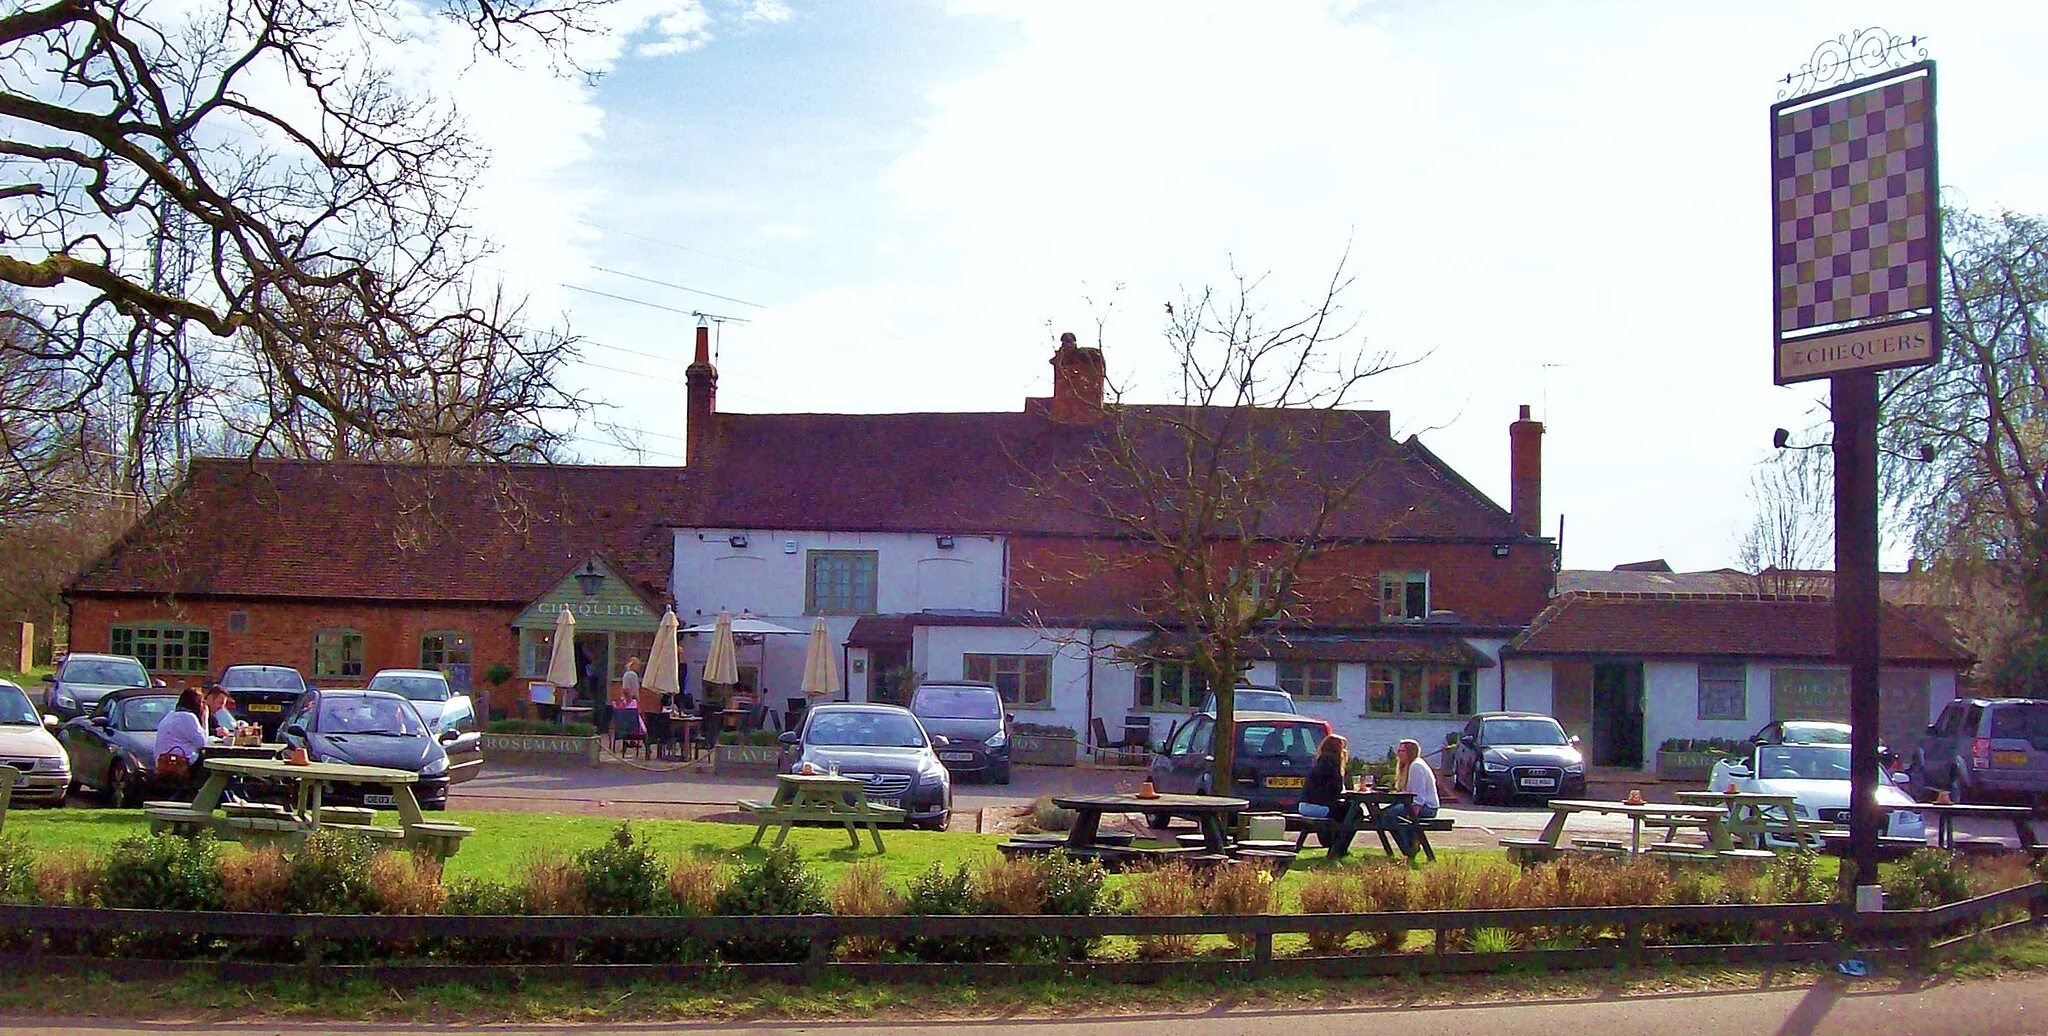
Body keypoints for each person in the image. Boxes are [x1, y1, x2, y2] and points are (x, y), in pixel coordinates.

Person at [1300, 733, 1355, 856]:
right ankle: (1339, 848)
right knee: (1354, 812)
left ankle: (1332, 843)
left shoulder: (1320, 762)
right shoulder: (1332, 764)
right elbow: (1337, 790)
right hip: (1318, 807)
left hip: (1305, 805)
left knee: (1344, 811)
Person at [1387, 738, 1440, 859]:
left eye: (1402, 751)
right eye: (1399, 751)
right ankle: (1410, 846)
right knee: (1383, 815)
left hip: (1427, 807)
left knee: (1390, 816)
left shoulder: (1416, 766)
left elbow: (1418, 798)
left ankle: (1408, 851)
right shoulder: (1409, 766)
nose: (1399, 754)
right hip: (1413, 805)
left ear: (1410, 753)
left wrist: (1412, 818)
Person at [154, 687, 209, 796]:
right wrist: (205, 719)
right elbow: (202, 742)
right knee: (209, 762)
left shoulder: (170, 715)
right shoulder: (188, 717)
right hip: (180, 762)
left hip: (162, 761)